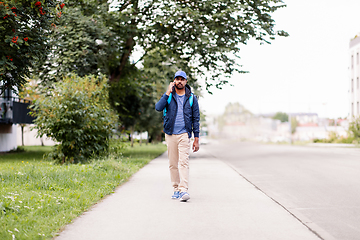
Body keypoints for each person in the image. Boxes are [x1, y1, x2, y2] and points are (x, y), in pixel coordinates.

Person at [155, 70, 200, 202]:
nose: (179, 81)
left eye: (182, 79)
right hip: (170, 134)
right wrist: (168, 92)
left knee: (183, 162)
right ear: (174, 81)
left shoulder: (192, 98)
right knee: (173, 163)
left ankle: (183, 190)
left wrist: (196, 138)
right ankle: (175, 189)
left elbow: (196, 119)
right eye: (177, 79)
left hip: (184, 134)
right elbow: (158, 108)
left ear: (186, 81)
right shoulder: (169, 96)